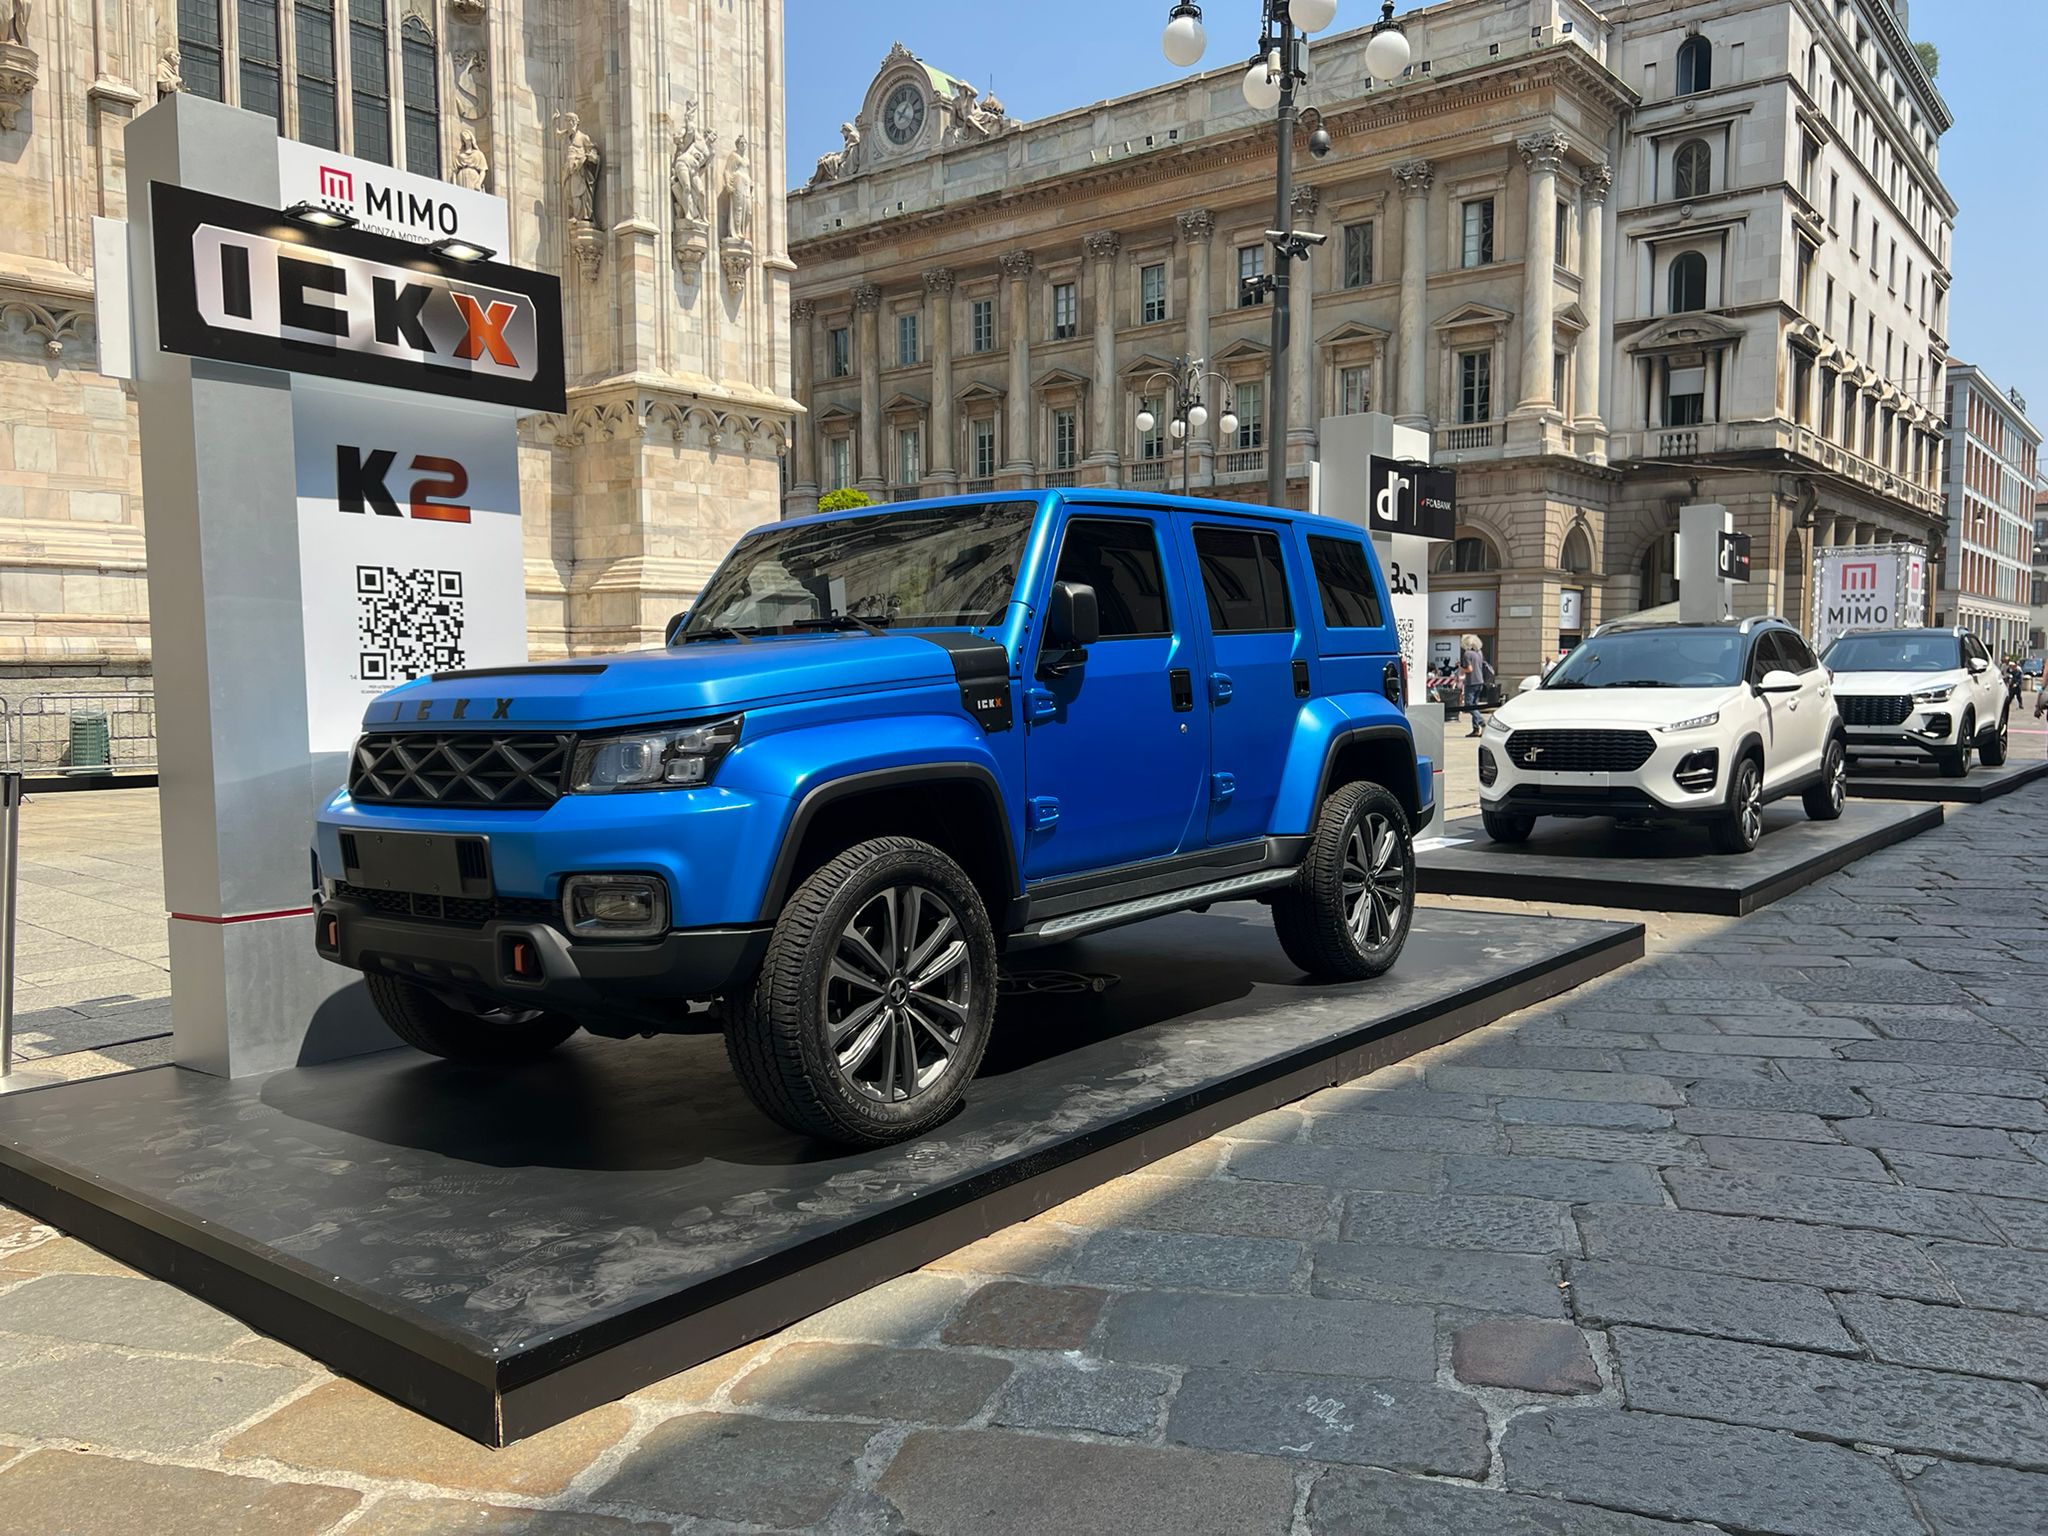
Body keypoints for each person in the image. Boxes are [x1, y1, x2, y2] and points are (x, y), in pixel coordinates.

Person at [1461, 632, 1493, 737]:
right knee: (1475, 705)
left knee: (1469, 706)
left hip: (1471, 682)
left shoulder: (1467, 654)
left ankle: (1481, 722)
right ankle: (1475, 729)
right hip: (1480, 681)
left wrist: (1461, 668)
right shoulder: (1479, 653)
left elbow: (1469, 669)